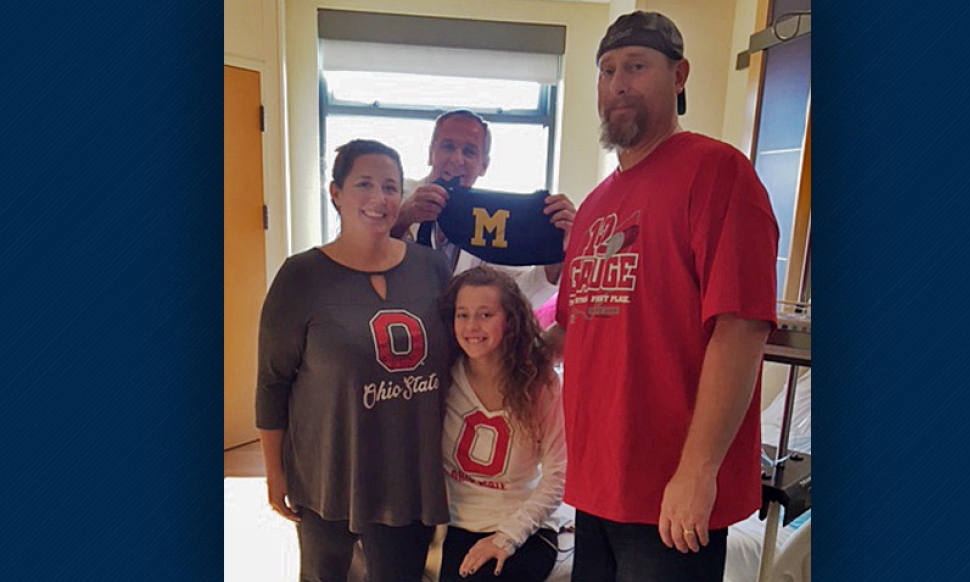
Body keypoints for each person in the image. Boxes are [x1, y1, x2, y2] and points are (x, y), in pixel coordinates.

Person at [549, 11, 779, 582]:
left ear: (679, 76)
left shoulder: (718, 172)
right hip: (598, 484)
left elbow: (742, 327)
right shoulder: (597, 204)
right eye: (606, 70)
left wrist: (698, 472)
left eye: (636, 66)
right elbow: (575, 331)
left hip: (671, 494)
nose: (618, 83)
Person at [255, 139, 453, 582]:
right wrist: (274, 473)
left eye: (390, 187)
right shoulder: (301, 276)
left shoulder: (432, 268)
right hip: (329, 473)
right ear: (335, 193)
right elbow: (272, 381)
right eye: (364, 184)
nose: (379, 198)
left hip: (410, 472)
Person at [437, 266, 567, 582]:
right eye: (462, 314)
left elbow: (558, 476)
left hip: (524, 528)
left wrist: (505, 537)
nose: (471, 326)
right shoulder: (442, 376)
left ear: (510, 320)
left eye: (485, 315)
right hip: (457, 526)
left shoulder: (541, 383)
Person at [391, 109, 575, 310]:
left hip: (461, 336)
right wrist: (401, 220)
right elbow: (357, 253)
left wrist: (555, 252)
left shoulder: (493, 217)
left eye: (469, 151)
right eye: (448, 146)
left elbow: (518, 296)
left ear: (484, 165)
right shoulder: (396, 197)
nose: (457, 159)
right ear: (430, 153)